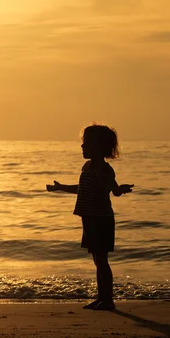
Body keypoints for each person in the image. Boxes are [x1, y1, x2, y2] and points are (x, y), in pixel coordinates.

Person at [47, 124, 133, 311]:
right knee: (97, 260)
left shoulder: (104, 169)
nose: (82, 147)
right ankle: (101, 298)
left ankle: (108, 300)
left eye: (86, 144)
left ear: (99, 147)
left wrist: (122, 189)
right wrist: (60, 187)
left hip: (101, 219)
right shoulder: (87, 167)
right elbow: (81, 190)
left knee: (101, 260)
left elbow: (114, 191)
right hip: (89, 219)